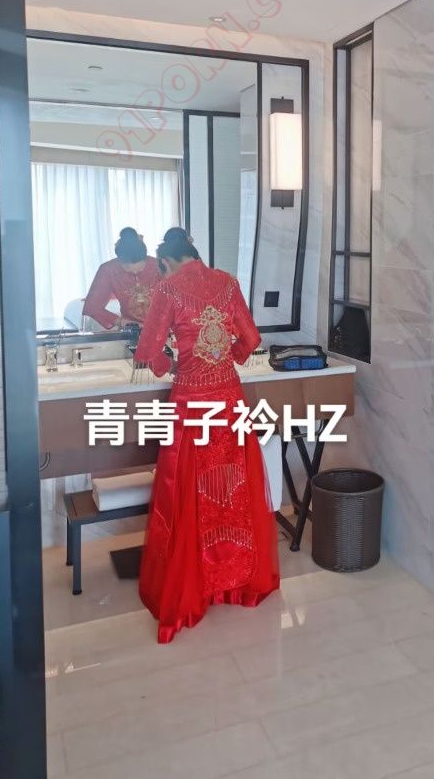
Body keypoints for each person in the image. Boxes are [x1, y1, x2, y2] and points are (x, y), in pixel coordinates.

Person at [134, 228, 279, 643]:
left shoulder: (167, 289)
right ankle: (235, 583)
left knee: (188, 493)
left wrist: (171, 367)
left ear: (166, 261)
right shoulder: (227, 283)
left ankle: (193, 589)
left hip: (191, 404)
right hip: (229, 400)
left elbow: (147, 351)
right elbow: (251, 338)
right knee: (232, 491)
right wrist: (228, 358)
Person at [83, 227, 162, 329]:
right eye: (127, 267)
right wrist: (122, 322)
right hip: (130, 329)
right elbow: (92, 307)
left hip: (163, 327)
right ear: (119, 260)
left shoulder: (159, 266)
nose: (134, 272)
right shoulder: (108, 269)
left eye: (140, 268)